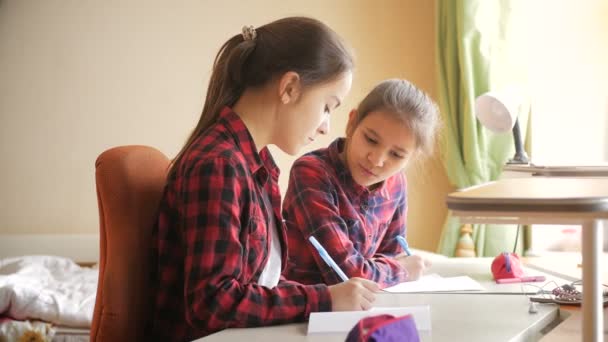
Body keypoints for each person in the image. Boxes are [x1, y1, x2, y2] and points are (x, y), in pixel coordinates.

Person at [149, 17, 379, 341]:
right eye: (327, 106)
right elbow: (212, 302)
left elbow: (259, 283)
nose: (327, 127)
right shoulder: (219, 165)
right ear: (289, 88)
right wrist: (323, 299)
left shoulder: (257, 166)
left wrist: (327, 297)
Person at [282, 79, 439, 288]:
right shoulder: (311, 173)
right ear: (352, 123)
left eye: (396, 155)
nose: (376, 160)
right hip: (309, 306)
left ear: (411, 158)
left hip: (363, 305)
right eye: (371, 140)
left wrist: (392, 268)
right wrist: (402, 270)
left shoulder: (396, 183)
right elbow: (347, 274)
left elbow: (391, 254)